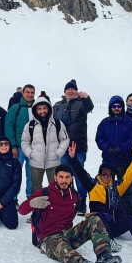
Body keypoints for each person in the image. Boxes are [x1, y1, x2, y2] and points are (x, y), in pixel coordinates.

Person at [18, 165, 122, 263]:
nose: (64, 180)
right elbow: (22, 210)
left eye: (67, 177)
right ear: (55, 177)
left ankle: (103, 255)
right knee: (62, 248)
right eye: (61, 177)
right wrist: (32, 203)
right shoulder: (44, 193)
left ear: (71, 178)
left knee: (95, 219)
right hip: (47, 238)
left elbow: (71, 216)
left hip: (67, 234)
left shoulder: (76, 197)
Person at [68, 142, 132, 254]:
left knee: (131, 217)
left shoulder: (117, 187)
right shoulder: (93, 185)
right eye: (103, 173)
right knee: (99, 214)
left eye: (109, 174)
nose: (106, 176)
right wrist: (73, 158)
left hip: (114, 226)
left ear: (112, 175)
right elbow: (81, 173)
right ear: (99, 174)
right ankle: (109, 242)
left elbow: (128, 177)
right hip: (99, 228)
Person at [53, 79, 94, 215]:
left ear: (76, 91)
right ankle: (66, 200)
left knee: (78, 173)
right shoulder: (57, 105)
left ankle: (81, 201)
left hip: (77, 147)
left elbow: (89, 107)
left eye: (73, 89)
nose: (70, 91)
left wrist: (86, 99)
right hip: (62, 147)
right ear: (64, 92)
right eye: (68, 89)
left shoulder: (81, 104)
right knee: (65, 174)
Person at [95, 95, 132, 215]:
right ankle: (104, 214)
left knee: (124, 190)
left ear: (122, 107)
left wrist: (120, 148)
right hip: (108, 162)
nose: (116, 108)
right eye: (114, 106)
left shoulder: (130, 122)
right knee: (104, 187)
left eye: (119, 106)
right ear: (110, 107)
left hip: (123, 161)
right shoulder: (104, 123)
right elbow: (99, 138)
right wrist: (108, 148)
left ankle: (127, 216)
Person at [22, 92, 69, 193]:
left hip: (53, 163)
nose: (42, 111)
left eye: (44, 108)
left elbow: (65, 139)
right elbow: (25, 142)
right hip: (35, 163)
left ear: (49, 109)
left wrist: (58, 153)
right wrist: (31, 154)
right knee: (35, 189)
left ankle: (54, 207)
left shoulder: (57, 123)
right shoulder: (30, 125)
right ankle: (37, 208)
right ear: (35, 110)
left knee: (56, 188)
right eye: (39, 109)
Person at [5, 84, 35, 201]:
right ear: (23, 93)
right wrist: (12, 146)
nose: (30, 94)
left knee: (32, 175)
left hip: (34, 148)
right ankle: (13, 198)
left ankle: (30, 198)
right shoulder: (15, 108)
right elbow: (9, 127)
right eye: (27, 92)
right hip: (18, 147)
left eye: (32, 92)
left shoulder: (38, 108)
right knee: (15, 174)